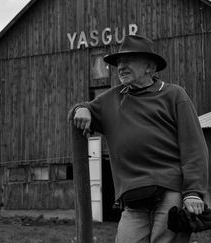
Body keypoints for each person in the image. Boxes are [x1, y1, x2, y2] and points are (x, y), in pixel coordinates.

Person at [71, 35, 209, 242]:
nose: (121, 67)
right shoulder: (112, 98)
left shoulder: (174, 95)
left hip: (170, 191)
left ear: (149, 67)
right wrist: (81, 109)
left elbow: (194, 147)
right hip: (133, 199)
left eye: (128, 60)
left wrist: (193, 192)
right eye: (119, 62)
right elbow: (81, 107)